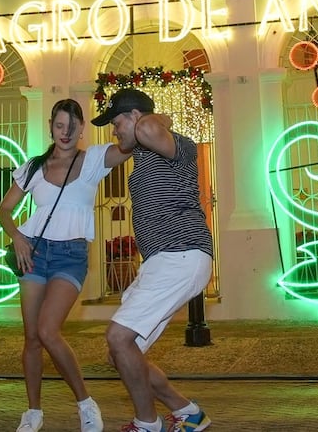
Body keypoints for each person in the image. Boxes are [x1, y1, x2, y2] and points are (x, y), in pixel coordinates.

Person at [0, 98, 129, 432]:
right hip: (34, 253)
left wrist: (139, 117)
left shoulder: (94, 160)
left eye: (72, 126)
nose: (66, 132)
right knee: (31, 337)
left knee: (47, 330)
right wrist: (16, 236)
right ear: (50, 126)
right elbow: (4, 210)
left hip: (71, 255)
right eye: (59, 126)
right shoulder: (32, 167)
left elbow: (129, 145)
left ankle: (86, 403)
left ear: (82, 129)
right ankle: (33, 412)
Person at [92, 89, 214, 432]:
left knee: (119, 337)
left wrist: (151, 118)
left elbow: (146, 128)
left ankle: (147, 423)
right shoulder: (146, 153)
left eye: (117, 122)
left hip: (182, 253)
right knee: (120, 353)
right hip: (161, 261)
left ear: (134, 117)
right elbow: (140, 134)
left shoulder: (176, 143)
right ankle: (186, 411)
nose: (114, 131)